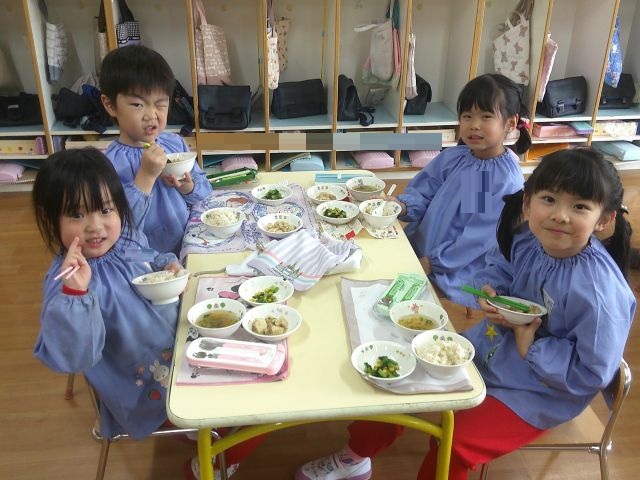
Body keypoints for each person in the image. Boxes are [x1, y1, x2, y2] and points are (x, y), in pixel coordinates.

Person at [295, 147, 635, 480]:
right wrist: (493, 292)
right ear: (528, 202)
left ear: (604, 219)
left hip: (540, 390)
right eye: (549, 199)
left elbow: (592, 371)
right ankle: (355, 457)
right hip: (490, 347)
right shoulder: (526, 238)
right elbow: (497, 265)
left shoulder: (600, 293)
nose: (560, 215)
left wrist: (530, 345)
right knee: (398, 371)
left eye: (579, 206)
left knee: (453, 441)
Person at [32, 149, 258, 479]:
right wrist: (76, 294)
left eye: (105, 209)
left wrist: (168, 264)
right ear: (51, 219)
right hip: (147, 389)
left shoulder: (123, 242)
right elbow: (74, 357)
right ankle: (208, 461)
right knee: (260, 402)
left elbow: (150, 256)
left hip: (182, 343)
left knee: (257, 344)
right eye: (76, 215)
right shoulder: (68, 282)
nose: (95, 226)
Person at [384, 73, 531, 308]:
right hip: (422, 248)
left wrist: (431, 263)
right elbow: (425, 191)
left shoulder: (497, 177)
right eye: (467, 116)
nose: (474, 125)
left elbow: (472, 238)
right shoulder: (459, 157)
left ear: (510, 124)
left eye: (486, 116)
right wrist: (401, 206)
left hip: (455, 266)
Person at [100, 44, 212, 256]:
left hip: (186, 245)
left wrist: (188, 187)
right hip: (142, 260)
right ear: (110, 105)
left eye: (161, 104)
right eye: (137, 105)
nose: (152, 115)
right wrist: (146, 176)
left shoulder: (174, 144)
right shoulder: (107, 164)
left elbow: (204, 193)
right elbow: (117, 230)